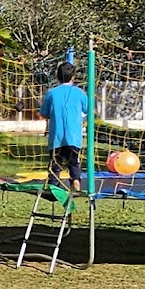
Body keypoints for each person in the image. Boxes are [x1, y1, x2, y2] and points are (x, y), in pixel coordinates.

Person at [42, 59, 90, 192]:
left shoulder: (51, 93)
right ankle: (75, 181)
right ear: (73, 77)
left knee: (55, 164)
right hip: (74, 136)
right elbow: (88, 110)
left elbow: (44, 113)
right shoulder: (80, 93)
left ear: (57, 76)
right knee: (74, 162)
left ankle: (53, 186)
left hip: (56, 137)